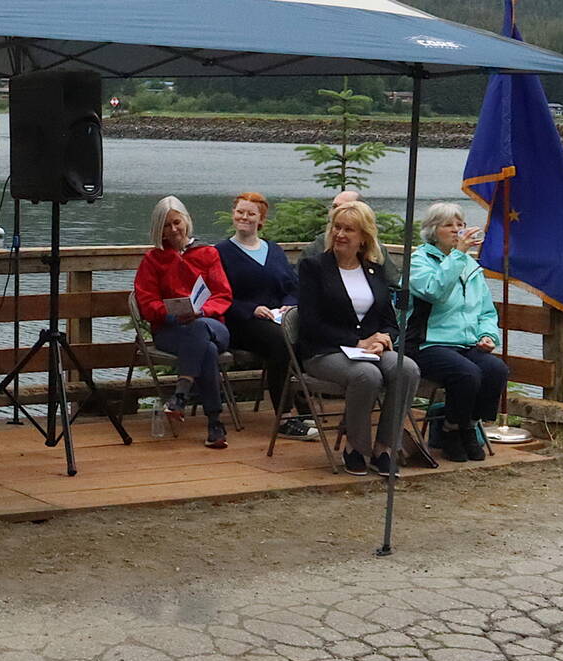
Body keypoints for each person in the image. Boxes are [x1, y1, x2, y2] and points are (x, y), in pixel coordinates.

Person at [295, 200, 421, 476]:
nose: (340, 234)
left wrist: (384, 339)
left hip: (367, 350)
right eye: (337, 228)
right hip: (323, 351)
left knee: (406, 368)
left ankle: (385, 448)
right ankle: (355, 447)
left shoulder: (373, 270)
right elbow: (311, 324)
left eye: (348, 230)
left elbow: (389, 320)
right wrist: (356, 341)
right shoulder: (314, 268)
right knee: (367, 375)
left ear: (364, 236)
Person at [406, 201, 507, 462]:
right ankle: (450, 430)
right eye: (448, 225)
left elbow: (486, 311)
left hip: (464, 343)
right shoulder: (419, 261)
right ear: (432, 231)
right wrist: (458, 256)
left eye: (460, 224)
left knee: (496, 370)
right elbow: (435, 291)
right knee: (467, 374)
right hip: (426, 343)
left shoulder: (471, 268)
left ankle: (467, 426)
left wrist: (488, 335)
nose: (456, 230)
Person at [133, 196, 234, 449]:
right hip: (171, 329)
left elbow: (223, 294)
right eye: (166, 226)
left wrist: (202, 311)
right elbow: (147, 302)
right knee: (206, 350)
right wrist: (171, 314)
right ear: (159, 229)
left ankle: (180, 394)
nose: (173, 230)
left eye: (176, 222)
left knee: (200, 329)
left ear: (186, 221)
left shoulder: (207, 253)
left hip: (211, 324)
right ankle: (214, 423)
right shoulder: (153, 260)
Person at [213, 191, 305, 434]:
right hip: (240, 323)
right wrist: (251, 309)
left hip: (277, 319)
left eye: (251, 214)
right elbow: (217, 296)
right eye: (240, 212)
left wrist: (288, 304)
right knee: (281, 341)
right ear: (233, 215)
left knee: (306, 334)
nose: (244, 217)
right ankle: (285, 418)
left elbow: (291, 286)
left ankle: (304, 407)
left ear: (261, 219)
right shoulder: (220, 252)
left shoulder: (273, 250)